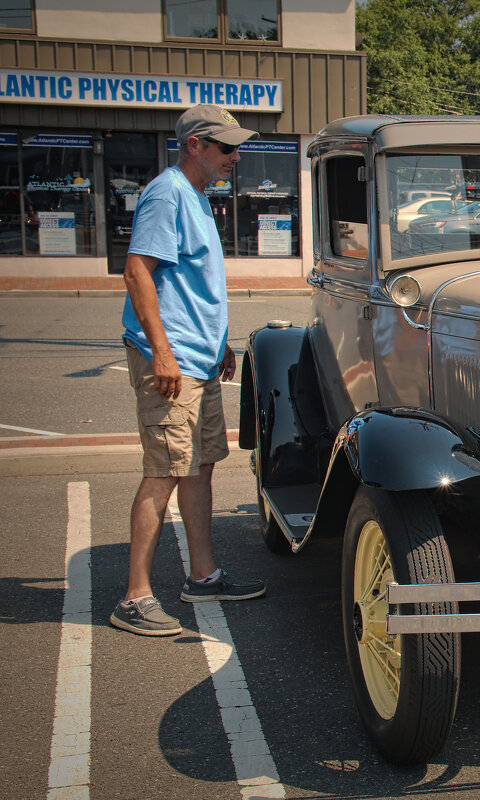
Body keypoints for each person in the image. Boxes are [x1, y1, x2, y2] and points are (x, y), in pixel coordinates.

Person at [110, 105, 265, 636]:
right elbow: (137, 272)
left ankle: (203, 575)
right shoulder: (167, 193)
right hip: (172, 361)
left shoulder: (197, 198)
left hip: (199, 358)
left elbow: (193, 285)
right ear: (196, 144)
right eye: (226, 147)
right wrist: (163, 352)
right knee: (165, 472)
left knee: (199, 466)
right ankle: (134, 598)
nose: (235, 157)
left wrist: (219, 344)